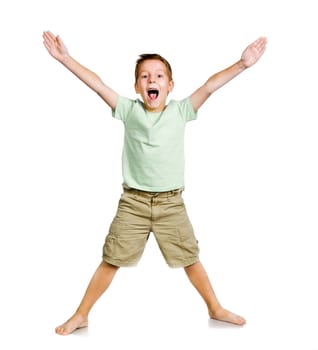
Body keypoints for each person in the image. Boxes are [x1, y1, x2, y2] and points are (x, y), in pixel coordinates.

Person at [42, 31, 267, 336]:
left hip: (170, 203)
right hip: (133, 203)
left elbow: (210, 86)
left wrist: (242, 64)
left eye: (159, 76)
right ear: (137, 86)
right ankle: (81, 314)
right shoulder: (128, 109)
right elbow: (97, 85)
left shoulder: (181, 111)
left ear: (169, 85)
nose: (153, 80)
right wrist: (66, 58)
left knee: (191, 258)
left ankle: (215, 307)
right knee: (111, 259)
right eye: (145, 76)